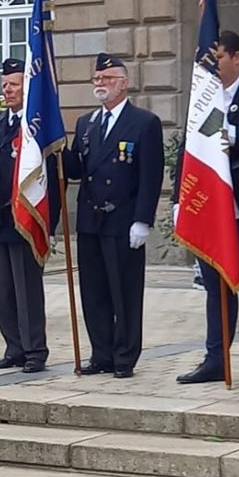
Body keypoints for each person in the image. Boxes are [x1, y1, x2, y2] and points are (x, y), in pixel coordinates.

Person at [175, 32, 239, 389]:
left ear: (237, 57)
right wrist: (179, 200)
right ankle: (216, 359)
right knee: (216, 289)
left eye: (218, 58)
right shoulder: (204, 97)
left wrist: (233, 134)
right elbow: (189, 149)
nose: (213, 65)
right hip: (211, 210)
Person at [63, 53, 164, 379]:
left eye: (107, 79)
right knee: (93, 292)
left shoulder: (143, 123)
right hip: (91, 221)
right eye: (97, 79)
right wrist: (56, 149)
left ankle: (124, 357)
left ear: (124, 83)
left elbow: (151, 175)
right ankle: (101, 353)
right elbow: (77, 169)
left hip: (122, 220)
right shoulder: (87, 123)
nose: (100, 84)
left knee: (124, 293)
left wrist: (143, 219)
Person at [0, 58, 59, 374]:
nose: (7, 90)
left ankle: (35, 350)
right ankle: (14, 348)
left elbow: (50, 180)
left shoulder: (35, 128)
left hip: (25, 221)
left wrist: (49, 226)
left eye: (13, 84)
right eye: (4, 85)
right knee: (2, 291)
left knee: (27, 292)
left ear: (27, 87)